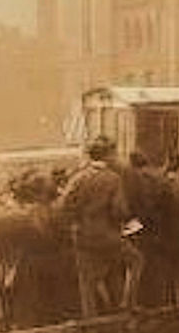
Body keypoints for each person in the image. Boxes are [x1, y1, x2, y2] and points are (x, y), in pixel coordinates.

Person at [58, 136, 142, 317]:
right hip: (107, 234)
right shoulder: (112, 179)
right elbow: (119, 210)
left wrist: (76, 222)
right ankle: (127, 303)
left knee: (87, 283)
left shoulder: (77, 178)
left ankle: (91, 327)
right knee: (136, 260)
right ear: (107, 156)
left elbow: (63, 206)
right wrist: (127, 224)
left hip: (82, 235)